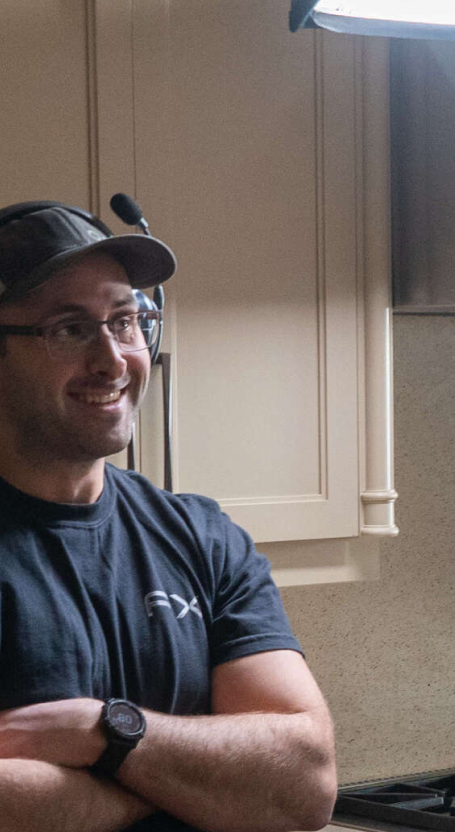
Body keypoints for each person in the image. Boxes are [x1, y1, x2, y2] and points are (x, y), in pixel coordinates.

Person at [0, 201, 336, 832]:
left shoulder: (202, 537)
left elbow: (304, 783)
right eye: (69, 330)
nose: (114, 359)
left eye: (127, 322)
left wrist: (105, 733)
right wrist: (193, 795)